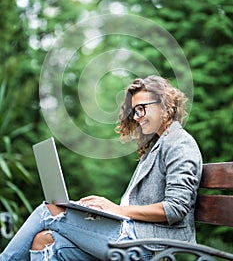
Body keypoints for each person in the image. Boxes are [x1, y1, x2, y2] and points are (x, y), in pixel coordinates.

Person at [0, 75, 203, 261]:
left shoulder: (179, 143)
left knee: (50, 210)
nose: (137, 116)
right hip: (133, 234)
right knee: (44, 242)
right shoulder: (157, 146)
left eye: (141, 108)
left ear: (164, 104)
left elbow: (176, 208)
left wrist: (117, 210)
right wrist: (107, 213)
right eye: (134, 111)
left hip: (152, 245)